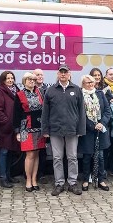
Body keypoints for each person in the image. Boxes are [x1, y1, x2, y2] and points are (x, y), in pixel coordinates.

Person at [43, 64, 86, 196]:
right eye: (61, 72)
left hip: (72, 129)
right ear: (58, 74)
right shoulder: (50, 91)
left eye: (65, 72)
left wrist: (81, 129)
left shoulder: (77, 90)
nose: (63, 74)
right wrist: (45, 130)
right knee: (57, 158)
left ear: (69, 74)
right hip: (55, 130)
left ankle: (72, 183)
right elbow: (45, 112)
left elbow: (81, 111)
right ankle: (59, 183)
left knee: (72, 157)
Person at [78, 74, 111, 191]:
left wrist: (102, 123)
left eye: (92, 82)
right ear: (83, 84)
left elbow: (108, 111)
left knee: (101, 156)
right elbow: (79, 114)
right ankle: (86, 180)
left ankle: (100, 179)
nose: (91, 84)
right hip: (87, 130)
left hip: (100, 130)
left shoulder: (100, 94)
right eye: (88, 82)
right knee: (87, 157)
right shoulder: (80, 95)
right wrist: (92, 125)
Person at [15, 72, 46, 192]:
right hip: (26, 128)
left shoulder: (40, 93)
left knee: (37, 153)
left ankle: (34, 179)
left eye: (33, 79)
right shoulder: (20, 94)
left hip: (39, 127)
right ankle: (28, 180)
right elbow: (16, 114)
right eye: (29, 79)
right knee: (30, 155)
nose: (32, 81)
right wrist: (17, 131)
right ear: (24, 81)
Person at [0, 70, 20, 188]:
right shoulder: (0, 92)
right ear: (3, 80)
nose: (10, 80)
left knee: (11, 152)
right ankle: (3, 178)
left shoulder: (17, 91)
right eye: (7, 78)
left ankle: (9, 175)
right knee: (4, 152)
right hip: (5, 128)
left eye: (12, 78)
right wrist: (6, 122)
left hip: (14, 128)